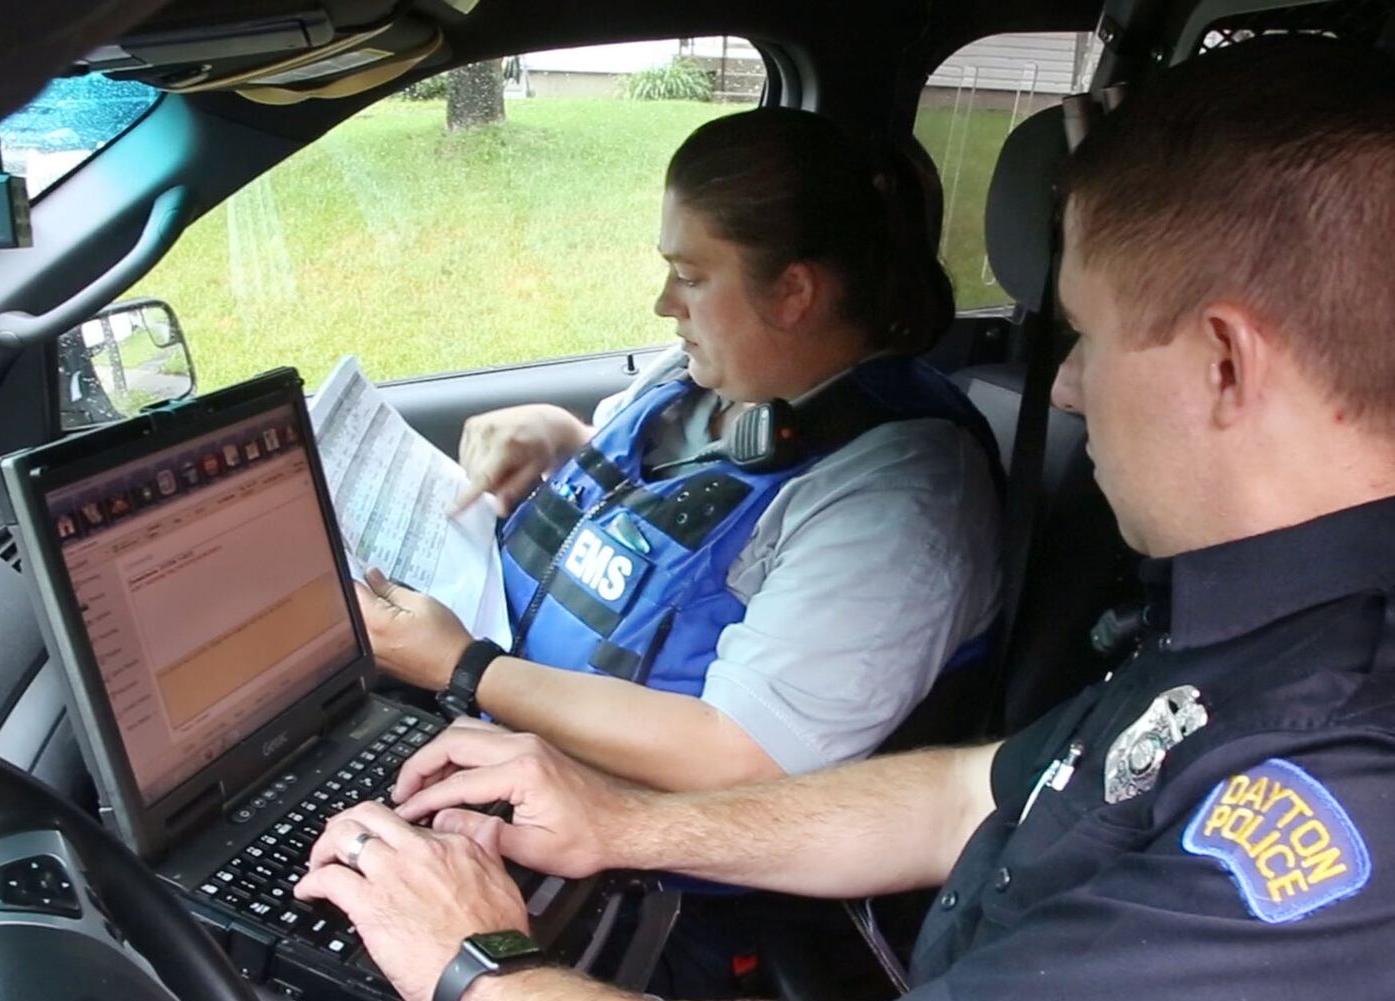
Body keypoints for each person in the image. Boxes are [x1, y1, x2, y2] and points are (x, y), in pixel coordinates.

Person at [281, 36, 1395, 1001]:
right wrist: (620, 820)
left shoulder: (1342, 788)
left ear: (1220, 361)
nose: (1060, 389)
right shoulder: (1250, 626)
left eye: (1087, 341)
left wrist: (472, 964)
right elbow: (965, 790)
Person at [356, 107, 1003, 792]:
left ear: (792, 291)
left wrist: (464, 666)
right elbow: (680, 524)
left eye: (690, 276)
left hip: (641, 864)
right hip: (492, 750)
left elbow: (739, 756)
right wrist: (562, 439)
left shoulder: (904, 505)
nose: (665, 302)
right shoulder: (700, 380)